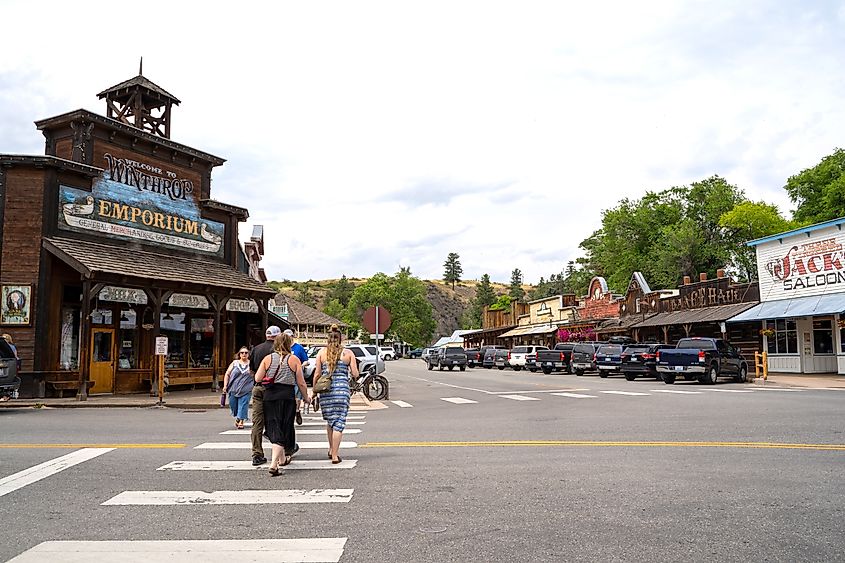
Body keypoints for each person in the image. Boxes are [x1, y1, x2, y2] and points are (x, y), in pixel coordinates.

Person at [254, 332, 309, 476]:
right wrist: (306, 397)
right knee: (284, 426)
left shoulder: (268, 359)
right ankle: (274, 464)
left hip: (270, 395)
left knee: (274, 425)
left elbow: (258, 377)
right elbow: (301, 383)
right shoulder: (294, 359)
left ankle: (282, 458)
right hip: (287, 395)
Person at [312, 324, 359, 464]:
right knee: (339, 423)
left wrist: (314, 391)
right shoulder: (348, 353)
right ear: (340, 338)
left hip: (327, 392)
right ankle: (335, 455)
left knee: (330, 422)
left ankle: (331, 449)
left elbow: (317, 374)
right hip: (342, 392)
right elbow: (355, 374)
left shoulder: (321, 353)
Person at [248, 325, 281, 466]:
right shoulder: (278, 351)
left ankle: (257, 454)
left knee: (257, 422)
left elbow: (251, 370)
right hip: (274, 389)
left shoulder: (256, 349)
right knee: (277, 420)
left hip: (258, 387)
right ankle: (281, 453)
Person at [222, 347, 254, 429]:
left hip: (246, 389)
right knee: (233, 406)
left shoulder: (251, 364)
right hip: (233, 388)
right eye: (242, 353)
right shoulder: (235, 363)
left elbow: (255, 374)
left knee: (243, 404)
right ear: (239, 354)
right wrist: (225, 385)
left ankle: (241, 421)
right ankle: (238, 418)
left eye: (246, 353)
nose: (244, 354)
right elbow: (227, 374)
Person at [284, 329, 310, 425]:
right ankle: (290, 412)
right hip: (286, 375)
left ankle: (297, 411)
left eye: (290, 336)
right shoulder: (283, 348)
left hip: (297, 375)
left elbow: (306, 360)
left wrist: (302, 365)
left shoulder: (298, 348)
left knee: (297, 396)